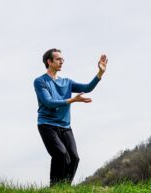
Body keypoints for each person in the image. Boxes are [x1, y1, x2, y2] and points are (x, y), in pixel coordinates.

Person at [33, 48, 107, 186]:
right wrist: (72, 100)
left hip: (65, 126)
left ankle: (65, 188)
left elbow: (87, 88)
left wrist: (100, 73)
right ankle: (55, 188)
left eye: (62, 59)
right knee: (60, 154)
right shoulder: (40, 81)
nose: (62, 61)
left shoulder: (66, 82)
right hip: (47, 124)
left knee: (74, 158)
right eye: (58, 59)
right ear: (49, 62)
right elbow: (49, 103)